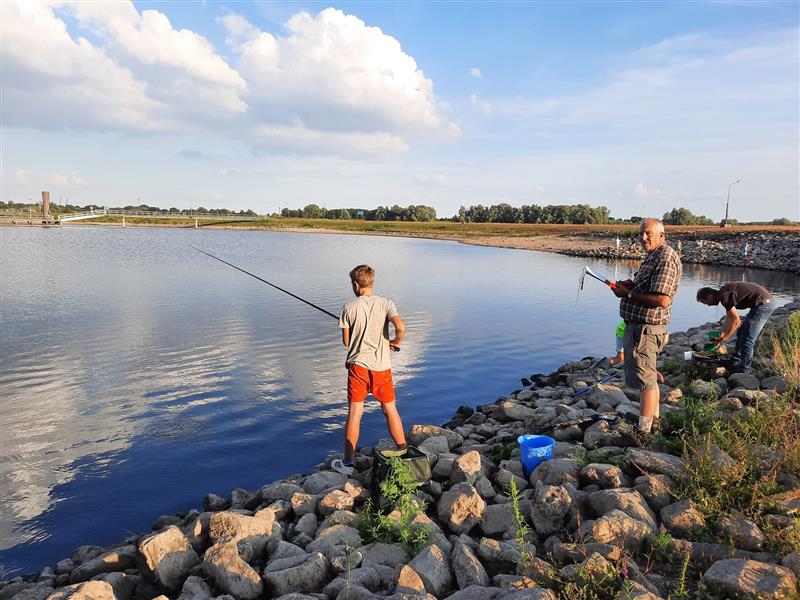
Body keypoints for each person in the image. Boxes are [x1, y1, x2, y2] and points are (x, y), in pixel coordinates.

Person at [332, 264, 407, 475]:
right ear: (371, 282)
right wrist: (396, 342)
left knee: (355, 413)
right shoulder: (386, 303)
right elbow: (401, 328)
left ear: (356, 285)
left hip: (358, 368)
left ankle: (348, 463)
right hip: (382, 368)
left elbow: (346, 342)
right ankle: (404, 451)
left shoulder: (348, 307)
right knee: (390, 409)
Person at [611, 219, 682, 433]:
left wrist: (628, 294)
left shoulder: (665, 257)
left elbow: (662, 300)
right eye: (641, 233)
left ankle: (643, 432)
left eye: (648, 233)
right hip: (641, 328)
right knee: (649, 377)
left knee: (646, 382)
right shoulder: (653, 255)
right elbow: (648, 288)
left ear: (661, 235)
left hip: (647, 329)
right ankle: (654, 424)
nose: (643, 238)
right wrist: (630, 286)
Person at [696, 282, 775, 373]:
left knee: (748, 339)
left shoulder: (725, 296)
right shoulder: (724, 293)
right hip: (760, 303)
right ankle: (735, 360)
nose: (708, 305)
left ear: (709, 296)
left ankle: (744, 369)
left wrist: (724, 338)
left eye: (706, 303)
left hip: (764, 305)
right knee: (741, 331)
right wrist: (720, 335)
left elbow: (736, 321)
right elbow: (730, 318)